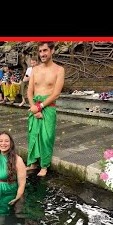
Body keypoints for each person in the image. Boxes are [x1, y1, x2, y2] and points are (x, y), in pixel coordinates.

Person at [27, 41, 65, 177]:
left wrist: (40, 107)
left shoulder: (59, 70)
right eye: (40, 51)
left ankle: (44, 165)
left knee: (46, 137)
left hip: (48, 107)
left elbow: (56, 94)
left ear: (52, 51)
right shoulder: (35, 69)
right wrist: (33, 107)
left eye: (45, 51)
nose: (42, 54)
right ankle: (32, 163)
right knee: (33, 135)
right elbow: (29, 91)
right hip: (35, 107)